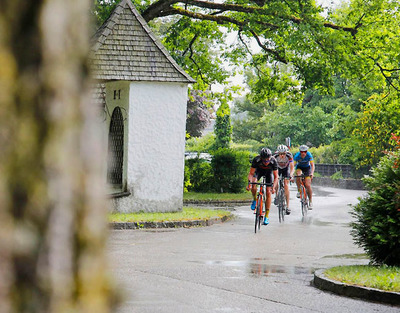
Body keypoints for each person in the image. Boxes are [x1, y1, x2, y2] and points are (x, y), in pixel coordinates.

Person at [246, 148, 278, 225]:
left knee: (268, 192)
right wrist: (249, 184)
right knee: (254, 183)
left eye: (268, 160)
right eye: (264, 160)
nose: (266, 162)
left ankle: (266, 216)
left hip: (269, 174)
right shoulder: (256, 160)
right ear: (261, 158)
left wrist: (273, 187)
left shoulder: (273, 161)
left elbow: (276, 176)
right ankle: (254, 199)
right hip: (258, 172)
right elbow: (251, 173)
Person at [273, 144, 294, 215]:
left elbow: (292, 167)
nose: (282, 155)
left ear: (286, 153)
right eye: (280, 154)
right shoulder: (275, 156)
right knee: (276, 181)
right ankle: (276, 196)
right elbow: (272, 167)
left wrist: (291, 175)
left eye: (284, 154)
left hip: (286, 169)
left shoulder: (289, 156)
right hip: (277, 168)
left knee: (286, 185)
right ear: (278, 153)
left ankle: (288, 207)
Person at [293, 145, 315, 209]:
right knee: (298, 174)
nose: (303, 153)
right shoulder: (297, 156)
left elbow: (312, 165)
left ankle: (310, 201)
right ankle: (299, 190)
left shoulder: (309, 155)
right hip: (299, 168)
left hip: (307, 169)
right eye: (302, 152)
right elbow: (293, 165)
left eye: (305, 152)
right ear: (300, 152)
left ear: (306, 152)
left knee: (308, 185)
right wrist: (291, 173)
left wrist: (312, 173)